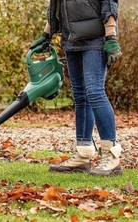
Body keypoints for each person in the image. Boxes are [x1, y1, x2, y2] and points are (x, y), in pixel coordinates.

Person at [30, 0, 123, 176]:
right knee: (80, 96)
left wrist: (111, 36)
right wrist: (46, 34)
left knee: (95, 92)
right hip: (71, 39)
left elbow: (109, 4)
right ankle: (83, 153)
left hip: (95, 38)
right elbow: (56, 6)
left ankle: (112, 156)